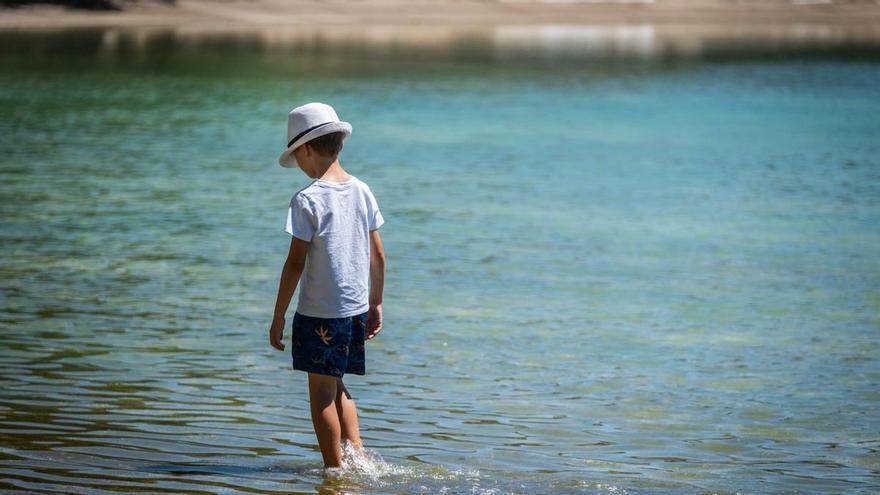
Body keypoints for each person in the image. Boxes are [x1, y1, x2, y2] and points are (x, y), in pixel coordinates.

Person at [268, 102, 385, 469]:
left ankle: (335, 472)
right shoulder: (362, 190)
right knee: (338, 386)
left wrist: (278, 316)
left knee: (320, 393)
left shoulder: (307, 200)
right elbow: (378, 256)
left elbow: (295, 263)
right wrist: (375, 302)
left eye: (296, 156)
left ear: (305, 149)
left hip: (319, 314)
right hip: (353, 310)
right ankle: (358, 459)